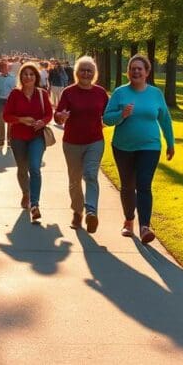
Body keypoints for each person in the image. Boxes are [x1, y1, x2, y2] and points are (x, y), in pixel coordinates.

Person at [102, 54, 175, 244]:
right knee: (127, 185)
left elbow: (165, 119)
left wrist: (170, 143)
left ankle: (144, 227)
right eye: (132, 68)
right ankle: (128, 221)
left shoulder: (155, 94)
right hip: (123, 147)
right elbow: (107, 119)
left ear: (147, 72)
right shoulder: (120, 93)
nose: (136, 71)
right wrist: (122, 114)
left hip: (150, 147)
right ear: (128, 72)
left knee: (144, 184)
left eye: (139, 69)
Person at [54, 56, 109, 233]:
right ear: (77, 73)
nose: (86, 73)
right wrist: (61, 117)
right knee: (74, 180)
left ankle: (91, 212)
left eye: (89, 71)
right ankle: (77, 212)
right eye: (83, 70)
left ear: (94, 74)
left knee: (91, 175)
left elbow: (109, 114)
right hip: (72, 142)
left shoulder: (100, 92)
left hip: (94, 141)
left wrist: (115, 118)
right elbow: (58, 114)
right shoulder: (68, 92)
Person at [3, 62, 53, 223]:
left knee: (35, 168)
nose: (28, 77)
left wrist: (43, 122)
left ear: (36, 77)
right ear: (21, 77)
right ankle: (26, 192)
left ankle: (35, 204)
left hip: (37, 137)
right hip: (18, 137)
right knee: (22, 169)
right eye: (25, 74)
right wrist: (20, 120)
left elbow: (49, 114)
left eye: (32, 74)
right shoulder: (15, 94)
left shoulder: (42, 94)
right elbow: (6, 116)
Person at [0, 59, 17, 147]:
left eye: (6, 67)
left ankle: (9, 140)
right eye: (3, 67)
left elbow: (16, 90)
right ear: (0, 68)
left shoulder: (13, 77)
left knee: (10, 121)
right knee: (0, 121)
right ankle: (1, 140)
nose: (5, 68)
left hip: (10, 101)